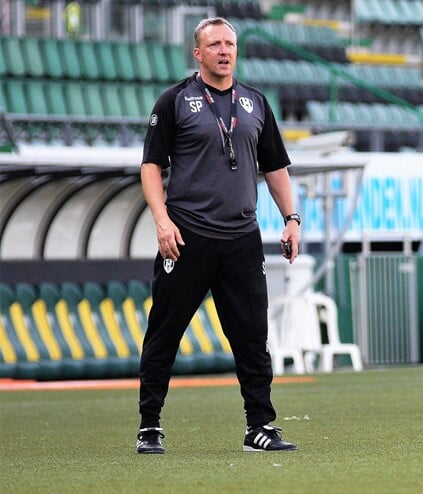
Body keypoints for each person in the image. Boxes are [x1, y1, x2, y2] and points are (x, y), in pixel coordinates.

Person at [135, 17, 301, 454]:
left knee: (251, 336)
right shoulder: (174, 101)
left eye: (230, 44)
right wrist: (161, 220)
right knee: (164, 333)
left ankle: (259, 427)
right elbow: (151, 165)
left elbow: (276, 168)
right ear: (198, 53)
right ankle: (149, 425)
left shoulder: (255, 103)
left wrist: (292, 217)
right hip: (186, 236)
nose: (224, 51)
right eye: (215, 44)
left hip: (242, 237)